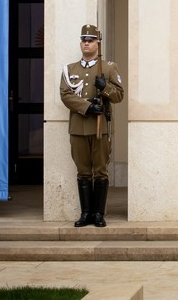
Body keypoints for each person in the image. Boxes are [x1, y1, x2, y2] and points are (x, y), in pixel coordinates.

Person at [59, 24, 124, 228]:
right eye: (84, 40)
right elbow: (65, 95)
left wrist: (105, 88)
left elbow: (119, 96)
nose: (86, 43)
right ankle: (85, 213)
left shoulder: (108, 68)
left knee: (101, 171)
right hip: (78, 127)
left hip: (100, 128)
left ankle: (98, 214)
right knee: (83, 171)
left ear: (98, 44)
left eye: (91, 40)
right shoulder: (70, 69)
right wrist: (87, 107)